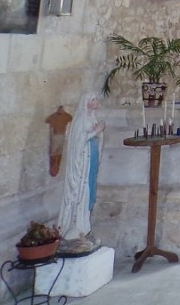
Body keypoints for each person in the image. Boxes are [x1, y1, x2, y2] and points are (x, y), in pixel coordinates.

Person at [57, 92, 105, 246]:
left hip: (90, 161)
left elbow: (95, 138)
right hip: (82, 164)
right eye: (93, 100)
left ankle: (84, 229)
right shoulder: (79, 121)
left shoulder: (92, 118)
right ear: (86, 103)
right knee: (81, 194)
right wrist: (96, 131)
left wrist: (99, 133)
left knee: (89, 192)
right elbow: (79, 142)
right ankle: (76, 229)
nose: (96, 102)